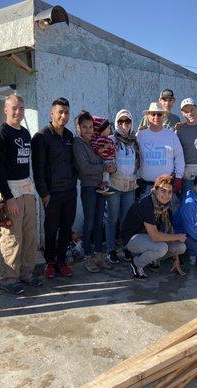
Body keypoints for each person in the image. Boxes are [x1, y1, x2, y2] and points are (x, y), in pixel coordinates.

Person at [0, 94, 40, 294]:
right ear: (5, 109)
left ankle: (27, 273)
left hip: (26, 188)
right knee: (13, 236)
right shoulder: (0, 134)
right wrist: (8, 197)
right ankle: (10, 278)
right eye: (14, 108)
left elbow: (25, 165)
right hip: (11, 191)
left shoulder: (26, 133)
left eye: (21, 108)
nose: (18, 112)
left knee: (30, 234)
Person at [32, 97, 78, 279]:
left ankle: (62, 261)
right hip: (52, 194)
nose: (64, 116)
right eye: (60, 112)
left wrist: (74, 184)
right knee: (51, 228)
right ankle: (50, 262)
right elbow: (38, 169)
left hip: (69, 192)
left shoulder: (69, 136)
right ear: (51, 113)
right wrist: (44, 194)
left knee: (66, 228)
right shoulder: (41, 137)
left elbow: (73, 164)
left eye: (66, 112)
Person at [121, 175, 187, 280]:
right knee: (162, 248)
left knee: (180, 247)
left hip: (148, 238)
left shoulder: (166, 205)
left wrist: (176, 260)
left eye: (169, 192)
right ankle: (136, 264)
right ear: (155, 190)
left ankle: (152, 259)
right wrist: (177, 236)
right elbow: (155, 236)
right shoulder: (146, 203)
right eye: (163, 191)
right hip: (132, 239)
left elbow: (170, 231)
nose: (166, 195)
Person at [73, 111, 115, 273]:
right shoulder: (78, 144)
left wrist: (109, 167)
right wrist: (104, 167)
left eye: (91, 127)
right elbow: (85, 169)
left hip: (101, 186)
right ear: (79, 127)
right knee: (89, 222)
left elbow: (102, 160)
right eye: (85, 127)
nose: (88, 130)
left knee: (99, 222)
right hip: (89, 187)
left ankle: (99, 255)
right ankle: (88, 257)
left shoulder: (94, 142)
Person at [105, 109, 140, 264]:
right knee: (112, 219)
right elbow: (106, 159)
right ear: (116, 123)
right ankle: (111, 250)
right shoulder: (111, 139)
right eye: (121, 121)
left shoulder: (135, 141)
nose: (124, 124)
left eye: (127, 121)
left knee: (126, 220)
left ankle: (127, 248)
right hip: (114, 185)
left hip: (130, 186)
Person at [137, 102, 185, 199]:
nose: (156, 117)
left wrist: (178, 177)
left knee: (167, 213)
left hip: (166, 186)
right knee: (146, 213)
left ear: (163, 116)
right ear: (148, 116)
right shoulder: (140, 135)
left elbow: (179, 158)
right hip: (146, 186)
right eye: (153, 114)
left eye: (159, 114)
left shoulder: (171, 135)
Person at [90, 116, 116, 194]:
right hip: (106, 159)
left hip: (110, 159)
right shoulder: (99, 139)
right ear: (101, 130)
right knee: (106, 172)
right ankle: (105, 186)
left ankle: (107, 186)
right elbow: (97, 150)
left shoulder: (107, 139)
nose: (109, 130)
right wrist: (104, 148)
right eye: (107, 128)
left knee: (107, 173)